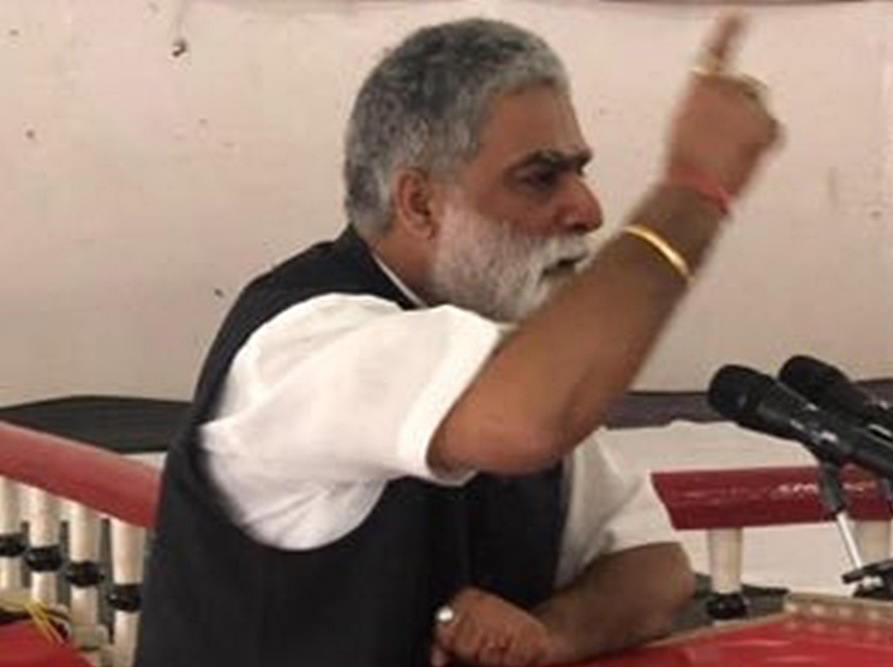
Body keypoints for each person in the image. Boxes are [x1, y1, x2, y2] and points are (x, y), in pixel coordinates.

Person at [136, 13, 780, 667]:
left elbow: (652, 567)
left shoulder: (515, 359)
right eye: (540, 177)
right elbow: (528, 420)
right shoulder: (305, 342)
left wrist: (550, 632)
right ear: (420, 203)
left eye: (579, 171)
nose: (587, 210)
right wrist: (694, 191)